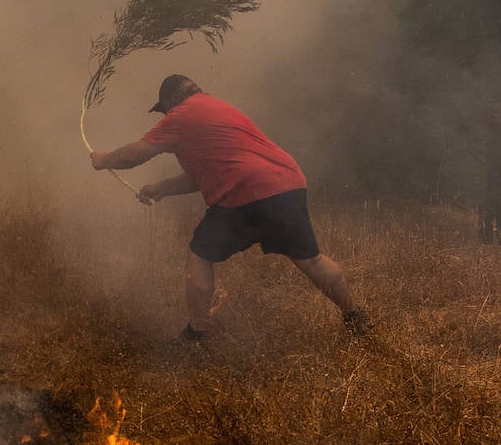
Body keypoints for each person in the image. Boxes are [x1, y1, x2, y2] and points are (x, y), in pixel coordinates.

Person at [90, 74, 371, 342]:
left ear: (170, 103)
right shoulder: (217, 108)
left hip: (245, 191)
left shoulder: (181, 115)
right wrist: (161, 188)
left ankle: (196, 334)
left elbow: (134, 155)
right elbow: (200, 177)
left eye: (164, 110)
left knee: (199, 256)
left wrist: (104, 160)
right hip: (288, 184)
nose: (166, 116)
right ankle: (354, 315)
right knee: (310, 259)